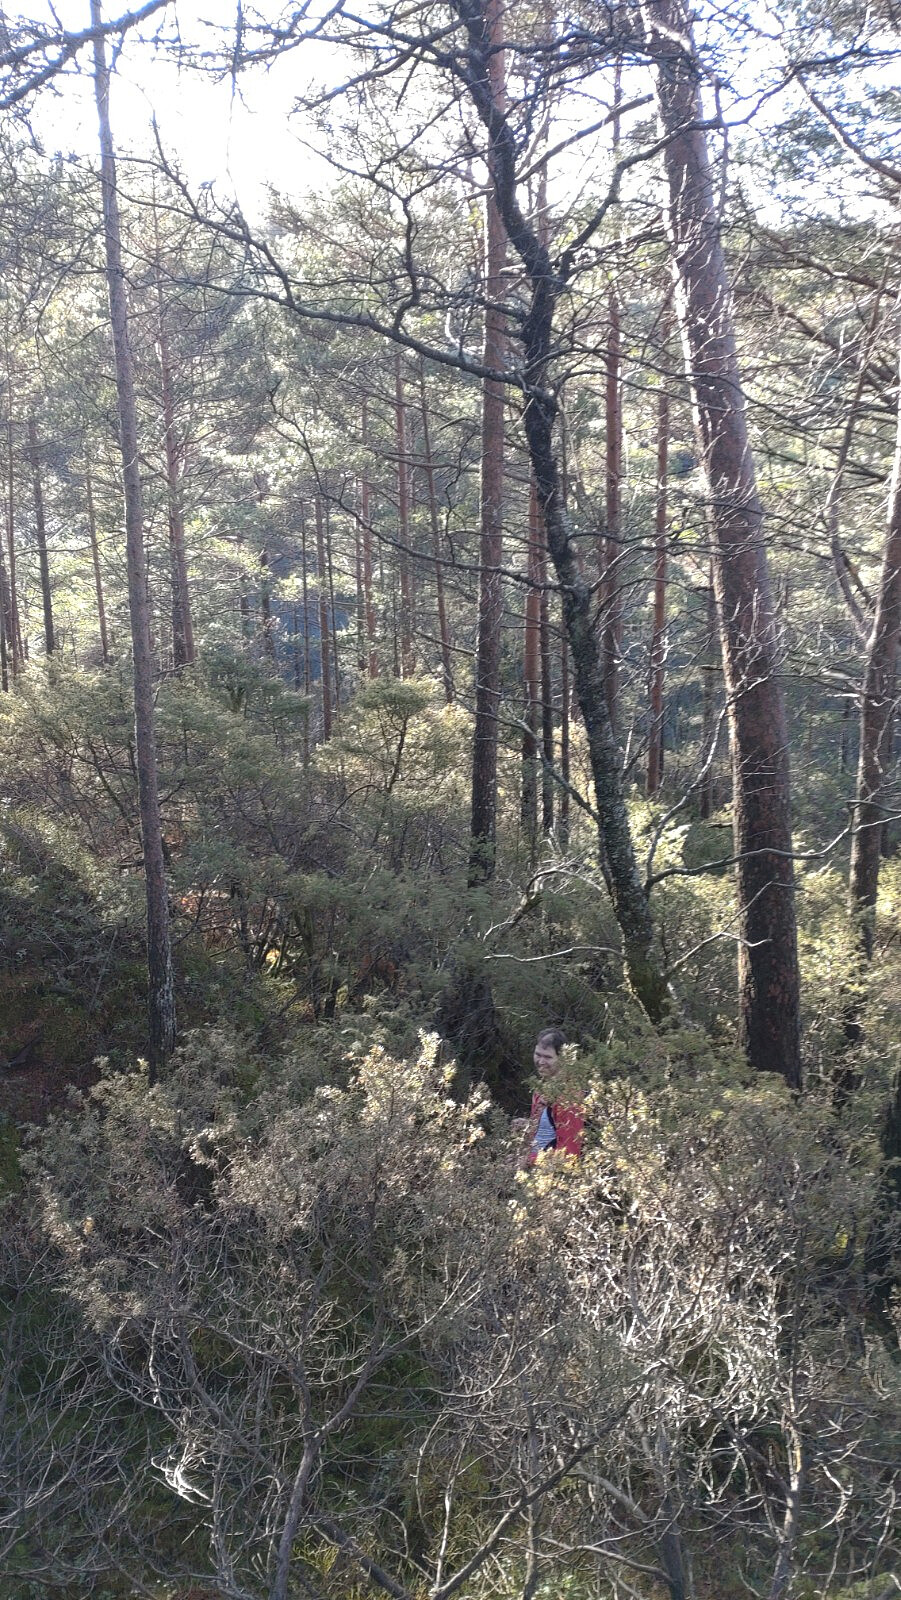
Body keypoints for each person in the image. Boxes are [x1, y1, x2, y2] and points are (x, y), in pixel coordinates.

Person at [517, 1027, 584, 1163]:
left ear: (563, 1059)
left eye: (548, 1057)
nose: (541, 1062)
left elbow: (570, 1155)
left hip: (555, 1173)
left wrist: (530, 1161)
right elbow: (546, 1132)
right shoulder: (540, 1089)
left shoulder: (569, 1097)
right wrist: (528, 1127)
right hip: (537, 1168)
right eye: (538, 1054)